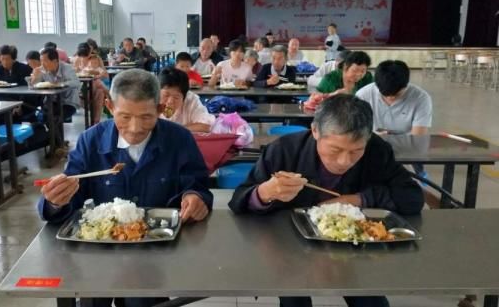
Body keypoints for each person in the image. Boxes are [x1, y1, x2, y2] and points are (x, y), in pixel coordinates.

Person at [229, 94, 423, 307]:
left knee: (370, 300)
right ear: (315, 131)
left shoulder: (376, 151)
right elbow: (240, 200)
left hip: (354, 245)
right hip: (291, 245)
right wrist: (264, 193)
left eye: (356, 151)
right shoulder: (285, 150)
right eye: (335, 150)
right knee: (294, 296)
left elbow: (412, 197)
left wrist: (359, 199)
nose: (344, 161)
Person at [38, 69, 212, 306]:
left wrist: (196, 196)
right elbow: (70, 193)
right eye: (125, 117)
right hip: (96, 252)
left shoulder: (179, 139)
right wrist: (55, 201)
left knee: (143, 301)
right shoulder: (91, 141)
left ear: (161, 110)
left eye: (147, 117)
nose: (134, 128)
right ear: (109, 106)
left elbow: (198, 182)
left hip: (157, 253)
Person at [356, 60, 433, 177]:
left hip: (407, 150)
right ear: (376, 84)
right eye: (384, 95)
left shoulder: (421, 98)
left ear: (406, 85)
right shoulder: (363, 95)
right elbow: (355, 132)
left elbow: (417, 139)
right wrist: (375, 139)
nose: (391, 98)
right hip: (372, 146)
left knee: (408, 181)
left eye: (396, 94)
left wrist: (387, 140)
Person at [31, 48, 81, 122]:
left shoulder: (67, 68)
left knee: (53, 119)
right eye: (41, 61)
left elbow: (76, 82)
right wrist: (35, 77)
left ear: (55, 61)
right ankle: (51, 133)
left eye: (45, 61)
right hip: (51, 102)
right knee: (41, 117)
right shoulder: (42, 70)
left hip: (68, 103)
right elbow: (33, 86)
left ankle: (54, 133)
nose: (42, 64)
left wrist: (60, 84)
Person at [159, 67, 215, 133]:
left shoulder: (191, 100)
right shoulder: (150, 100)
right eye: (166, 95)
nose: (170, 101)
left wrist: (174, 130)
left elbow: (206, 126)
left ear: (184, 97)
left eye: (176, 97)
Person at [71, 42, 110, 124]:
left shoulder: (96, 58)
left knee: (99, 89)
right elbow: (72, 74)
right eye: (81, 56)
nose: (84, 58)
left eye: (86, 56)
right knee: (99, 88)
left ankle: (95, 120)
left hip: (92, 87)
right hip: (81, 87)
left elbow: (104, 74)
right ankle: (111, 97)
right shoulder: (76, 59)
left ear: (89, 52)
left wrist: (96, 74)